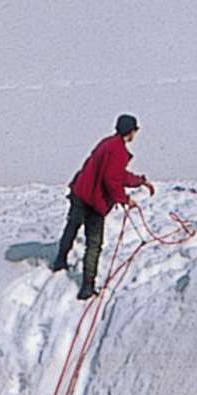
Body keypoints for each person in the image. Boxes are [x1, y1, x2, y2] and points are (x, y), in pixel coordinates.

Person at [50, 114, 155, 299]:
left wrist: (139, 181)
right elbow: (112, 180)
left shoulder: (107, 143)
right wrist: (124, 199)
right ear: (131, 132)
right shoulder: (119, 151)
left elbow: (115, 174)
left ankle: (60, 261)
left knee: (72, 227)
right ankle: (87, 287)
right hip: (94, 202)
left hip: (80, 192)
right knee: (94, 244)